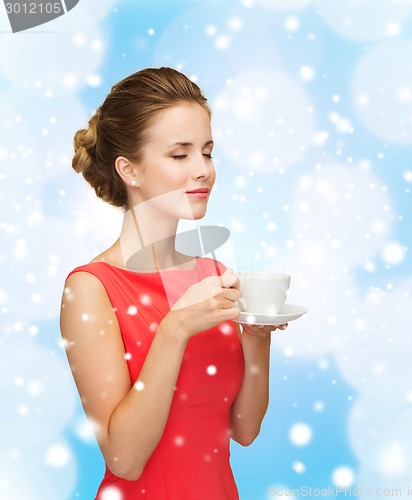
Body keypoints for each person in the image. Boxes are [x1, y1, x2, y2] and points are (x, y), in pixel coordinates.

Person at [60, 67, 288, 499]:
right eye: (180, 155)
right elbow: (125, 460)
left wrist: (256, 339)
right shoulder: (91, 289)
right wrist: (176, 327)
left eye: (207, 151)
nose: (202, 170)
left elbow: (244, 429)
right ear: (129, 169)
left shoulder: (210, 274)